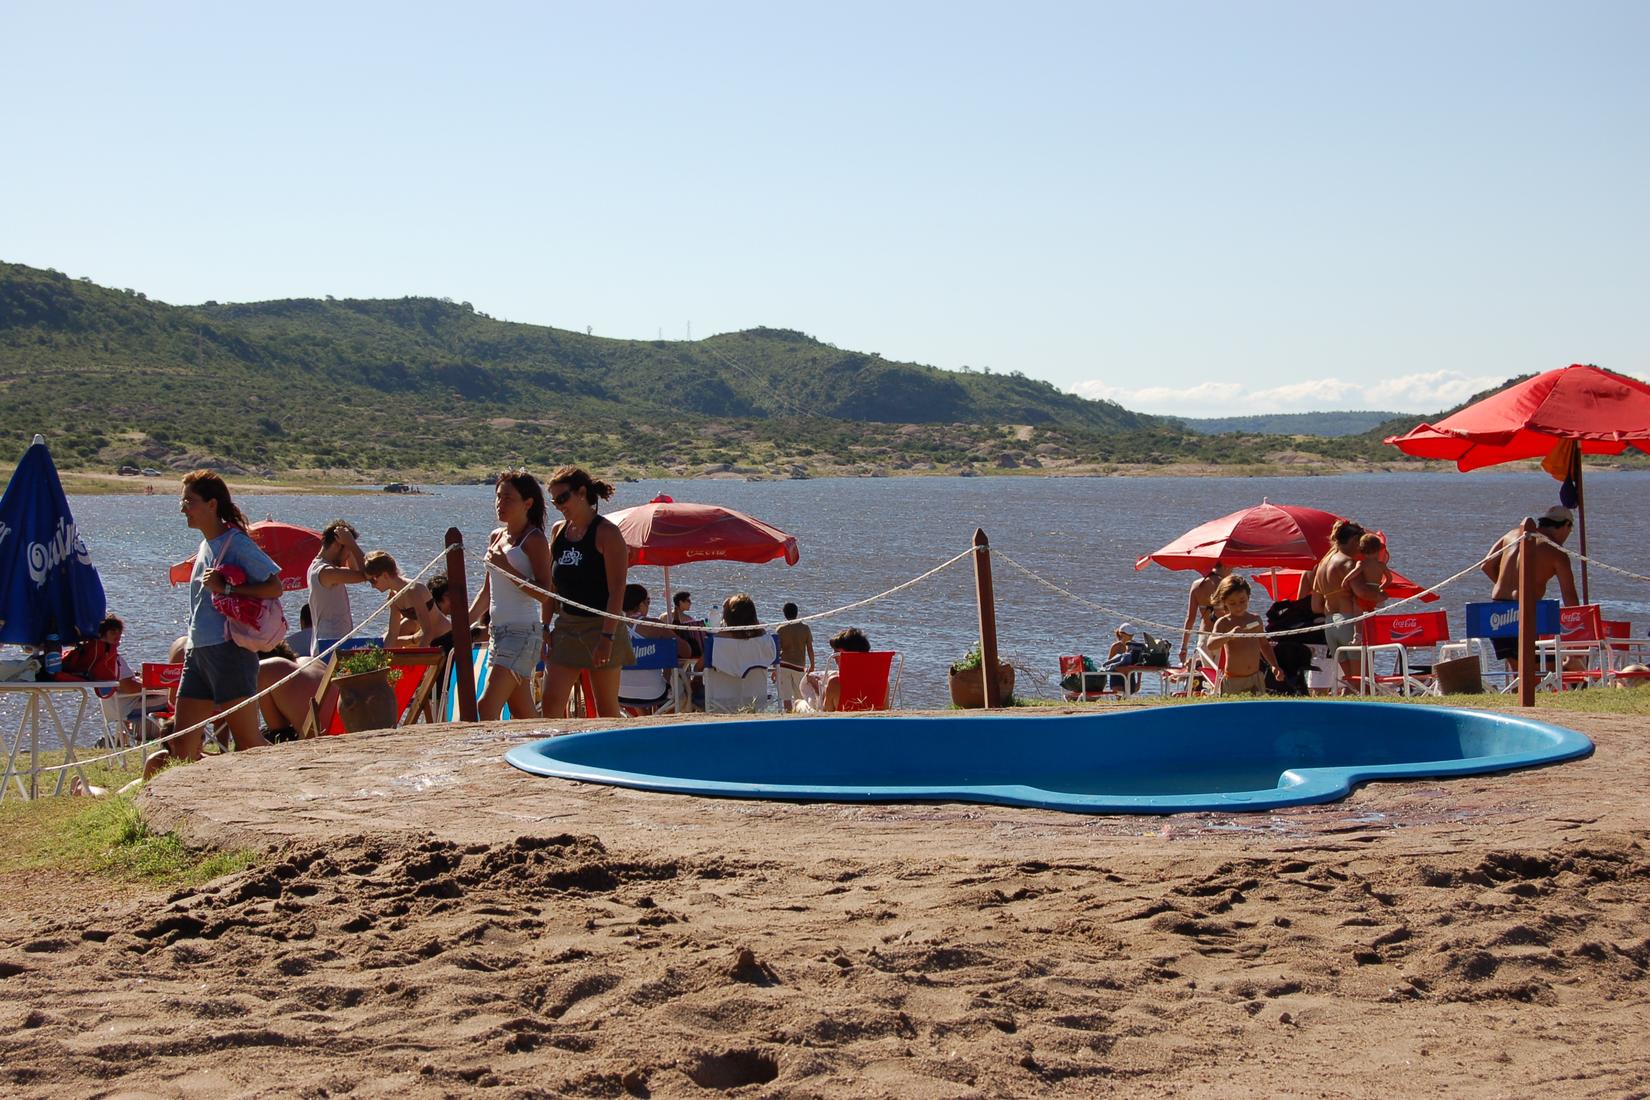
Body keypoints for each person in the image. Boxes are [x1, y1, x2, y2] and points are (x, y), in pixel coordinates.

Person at [146, 470, 281, 780]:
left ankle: (282, 785)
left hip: (228, 652)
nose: (183, 509)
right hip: (198, 653)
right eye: (183, 501)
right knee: (182, 744)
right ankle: (182, 808)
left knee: (247, 740)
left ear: (212, 504)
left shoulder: (236, 543)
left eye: (189, 501)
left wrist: (229, 589)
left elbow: (275, 587)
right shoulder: (207, 545)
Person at [542, 466, 632, 719]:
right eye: (553, 501)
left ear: (581, 493)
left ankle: (611, 756)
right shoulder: (559, 531)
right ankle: (552, 754)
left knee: (605, 708)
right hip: (567, 625)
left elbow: (617, 591)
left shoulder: (607, 533)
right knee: (551, 701)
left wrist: (607, 638)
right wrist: (544, 626)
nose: (559, 506)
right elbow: (551, 586)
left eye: (563, 498)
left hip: (601, 626)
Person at [467, 470, 553, 721]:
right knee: (522, 711)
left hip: (522, 633)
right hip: (498, 632)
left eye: (508, 499)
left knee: (487, 706)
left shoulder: (534, 539)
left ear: (528, 503)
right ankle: (539, 750)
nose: (500, 504)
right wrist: (462, 622)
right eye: (498, 497)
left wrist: (506, 567)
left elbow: (545, 594)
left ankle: (487, 756)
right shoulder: (496, 536)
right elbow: (487, 590)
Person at [1484, 505, 1580, 673]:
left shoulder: (1513, 534)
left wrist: (1507, 584)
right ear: (1565, 525)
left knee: (1518, 672)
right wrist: (1577, 637)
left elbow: (1486, 565)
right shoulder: (1557, 552)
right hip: (1527, 613)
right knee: (1546, 672)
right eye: (1569, 531)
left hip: (1497, 611)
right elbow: (1570, 596)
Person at [1309, 519, 1365, 692]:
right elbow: (1362, 594)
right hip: (1348, 622)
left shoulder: (1321, 566)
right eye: (1361, 543)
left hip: (1330, 624)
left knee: (1348, 681)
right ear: (1355, 540)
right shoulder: (1348, 563)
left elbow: (1315, 606)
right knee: (1358, 681)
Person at [363, 551, 452, 652]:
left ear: (385, 575)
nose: (372, 586)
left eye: (373, 580)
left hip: (446, 639)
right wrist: (381, 659)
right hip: (430, 642)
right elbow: (392, 633)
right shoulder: (394, 596)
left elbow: (428, 631)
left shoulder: (414, 590)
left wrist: (417, 658)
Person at [1206, 575, 1281, 696]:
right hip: (1233, 679)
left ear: (1248, 597)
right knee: (1233, 712)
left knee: (1256, 711)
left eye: (1242, 601)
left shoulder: (1255, 619)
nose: (1239, 606)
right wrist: (1229, 635)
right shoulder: (1224, 622)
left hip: (1255, 678)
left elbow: (1264, 645)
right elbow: (1210, 644)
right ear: (1225, 602)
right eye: (1232, 603)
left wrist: (1274, 665)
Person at [307, 520, 369, 656]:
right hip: (328, 647)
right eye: (347, 553)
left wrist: (349, 547)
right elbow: (368, 574)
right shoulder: (325, 571)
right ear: (337, 545)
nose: (348, 558)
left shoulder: (317, 566)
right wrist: (352, 545)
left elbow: (356, 570)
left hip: (331, 643)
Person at [256, 643, 337, 742]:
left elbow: (277, 728)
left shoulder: (265, 668)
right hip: (343, 726)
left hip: (322, 736)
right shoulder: (310, 660)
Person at [617, 584, 677, 714]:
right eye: (648, 602)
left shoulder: (613, 626)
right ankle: (660, 720)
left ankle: (644, 717)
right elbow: (686, 650)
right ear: (641, 604)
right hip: (655, 692)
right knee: (679, 686)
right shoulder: (654, 626)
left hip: (618, 692)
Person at [799, 627, 871, 713]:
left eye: (836, 652)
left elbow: (826, 713)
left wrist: (816, 687)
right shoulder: (883, 682)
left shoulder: (835, 682)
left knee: (799, 704)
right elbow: (884, 711)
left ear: (849, 655)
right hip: (870, 724)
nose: (833, 656)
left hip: (840, 724)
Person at [1178, 563, 1229, 668]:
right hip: (1222, 639)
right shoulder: (1228, 585)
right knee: (1220, 679)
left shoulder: (1197, 585)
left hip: (1204, 639)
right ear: (1225, 566)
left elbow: (1190, 619)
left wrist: (1184, 647)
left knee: (1209, 679)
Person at [774, 602, 816, 712]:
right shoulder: (805, 628)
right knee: (801, 698)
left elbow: (777, 651)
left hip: (783, 665)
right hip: (798, 666)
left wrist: (775, 668)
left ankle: (788, 715)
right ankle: (799, 717)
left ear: (784, 614)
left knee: (786, 698)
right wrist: (812, 665)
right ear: (797, 613)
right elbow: (810, 648)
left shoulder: (780, 629)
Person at [1102, 622, 1143, 694]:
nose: (1131, 636)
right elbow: (1108, 664)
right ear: (1122, 634)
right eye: (1129, 634)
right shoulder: (1115, 646)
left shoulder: (1135, 645)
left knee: (1128, 694)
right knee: (1119, 694)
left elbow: (1139, 664)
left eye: (1132, 634)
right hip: (1116, 675)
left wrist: (1139, 682)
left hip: (1130, 674)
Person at [669, 591, 704, 661]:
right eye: (688, 601)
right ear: (681, 602)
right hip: (681, 651)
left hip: (666, 648)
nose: (690, 603)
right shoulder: (688, 619)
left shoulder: (663, 616)